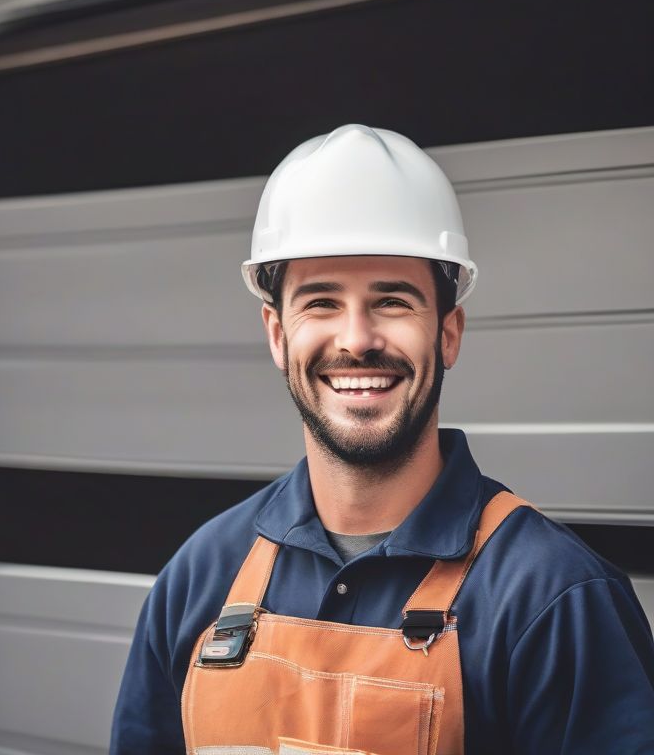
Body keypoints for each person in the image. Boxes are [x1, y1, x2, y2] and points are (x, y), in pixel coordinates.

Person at [110, 124, 654, 754]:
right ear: (277, 334)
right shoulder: (200, 577)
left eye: (392, 301)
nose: (357, 339)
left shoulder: (553, 600)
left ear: (448, 333)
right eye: (320, 302)